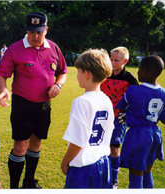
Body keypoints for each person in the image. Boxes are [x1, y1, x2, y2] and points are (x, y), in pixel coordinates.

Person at [0, 11, 68, 189]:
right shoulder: (14, 49)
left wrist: (58, 85)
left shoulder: (53, 48)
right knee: (20, 145)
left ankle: (29, 182)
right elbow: (1, 75)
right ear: (26, 31)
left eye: (39, 32)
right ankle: (14, 187)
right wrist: (3, 90)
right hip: (23, 104)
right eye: (32, 32)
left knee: (36, 142)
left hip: (44, 105)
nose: (36, 36)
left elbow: (63, 72)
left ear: (46, 30)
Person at [116, 55, 165, 188]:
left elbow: (120, 109)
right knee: (148, 172)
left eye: (140, 68)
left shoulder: (133, 90)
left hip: (138, 135)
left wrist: (129, 116)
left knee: (136, 175)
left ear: (146, 71)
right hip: (155, 134)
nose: (137, 71)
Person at [61, 49, 114, 188]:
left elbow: (78, 141)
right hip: (103, 164)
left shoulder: (81, 102)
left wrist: (65, 162)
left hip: (84, 168)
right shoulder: (106, 100)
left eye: (78, 71)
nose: (77, 75)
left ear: (87, 74)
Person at [100, 46, 138, 188]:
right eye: (111, 59)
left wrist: (127, 113)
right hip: (102, 116)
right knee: (101, 145)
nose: (112, 62)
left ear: (125, 61)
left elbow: (135, 99)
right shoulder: (104, 74)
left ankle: (114, 179)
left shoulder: (130, 79)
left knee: (114, 146)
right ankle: (103, 174)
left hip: (119, 118)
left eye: (116, 60)